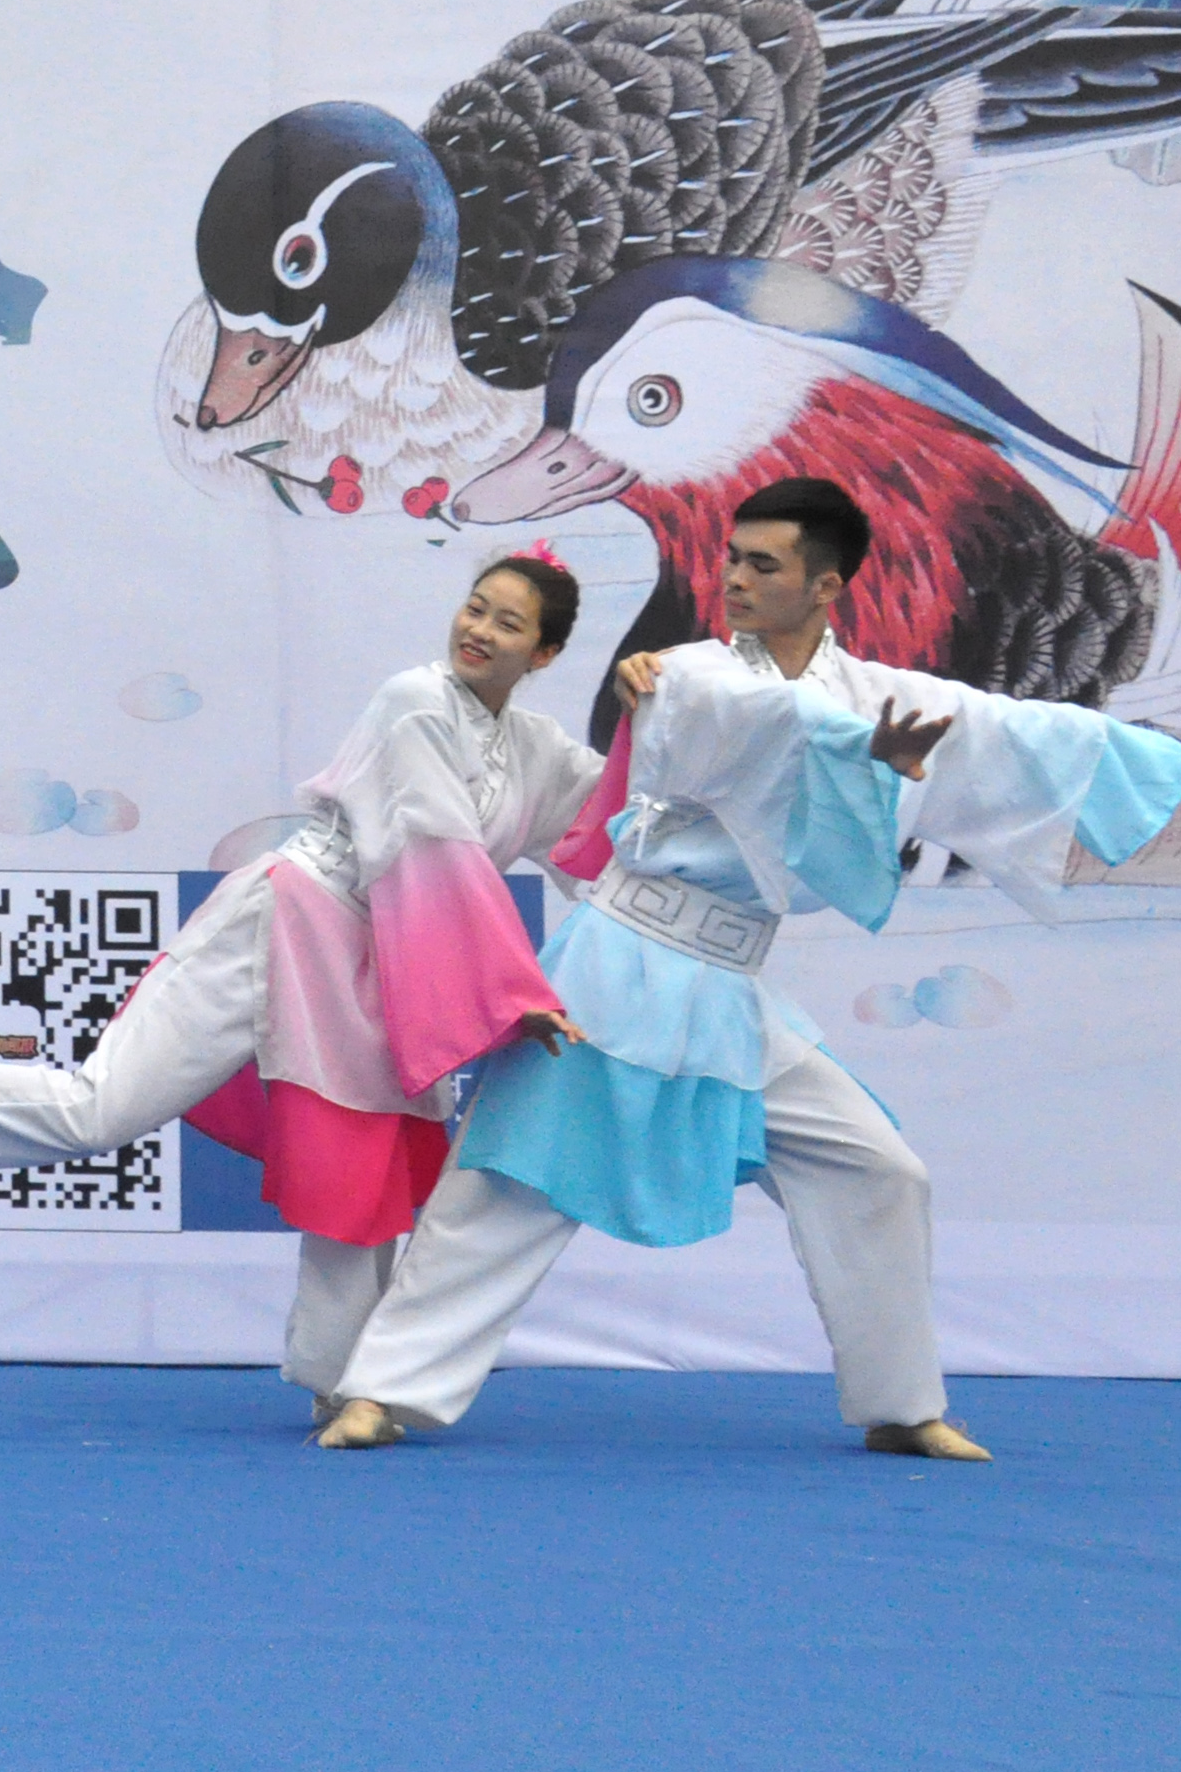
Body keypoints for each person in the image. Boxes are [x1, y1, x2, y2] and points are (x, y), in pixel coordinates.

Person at [316, 478, 1181, 1456]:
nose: (732, 578)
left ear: (826, 585)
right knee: (507, 1184)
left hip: (727, 990)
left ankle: (904, 1406)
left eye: (762, 564)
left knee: (878, 1171)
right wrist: (866, 750)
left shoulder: (877, 698)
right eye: (732, 558)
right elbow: (759, 723)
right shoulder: (685, 675)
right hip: (620, 963)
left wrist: (1150, 767)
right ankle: (380, 1391)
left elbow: (1007, 733)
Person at [0, 552, 609, 1414]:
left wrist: (653, 697)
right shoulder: (415, 700)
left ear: (544, 654)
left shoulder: (533, 749)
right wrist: (512, 994)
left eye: (508, 624)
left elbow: (613, 821)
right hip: (285, 922)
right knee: (100, 1110)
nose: (479, 630)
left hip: (376, 958)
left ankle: (344, 1386)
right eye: (476, 608)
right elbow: (438, 848)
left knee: (361, 1168)